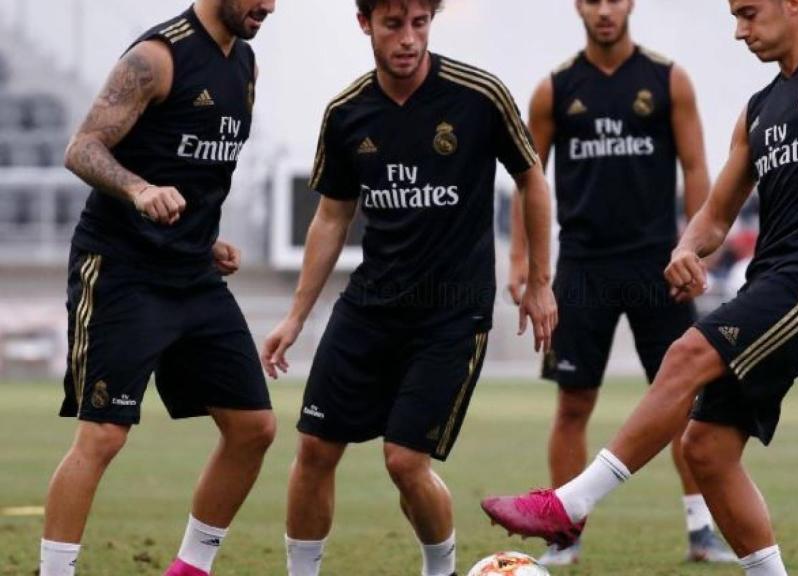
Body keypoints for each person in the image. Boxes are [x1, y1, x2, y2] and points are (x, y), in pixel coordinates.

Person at [481, 1, 798, 575]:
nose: (739, 31)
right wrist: (685, 249)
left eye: (749, 13)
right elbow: (715, 215)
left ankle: (568, 504)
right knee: (705, 448)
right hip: (773, 277)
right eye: (734, 16)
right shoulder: (758, 110)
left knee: (685, 355)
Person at [259, 1, 557, 575]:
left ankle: (439, 570)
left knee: (403, 461)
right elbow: (331, 216)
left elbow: (530, 178)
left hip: (450, 316)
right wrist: (296, 317)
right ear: (364, 23)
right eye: (394, 24)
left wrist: (540, 280)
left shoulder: (478, 95)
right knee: (315, 450)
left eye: (419, 23)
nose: (408, 39)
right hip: (369, 307)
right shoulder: (347, 113)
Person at [42, 2, 278, 576]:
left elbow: (200, 169)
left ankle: (190, 570)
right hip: (122, 269)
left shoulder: (245, 64)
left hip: (193, 273)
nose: (269, 6)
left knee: (253, 428)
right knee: (103, 434)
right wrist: (140, 189)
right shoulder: (156, 57)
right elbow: (82, 148)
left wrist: (208, 237)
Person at [506, 0, 733, 566]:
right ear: (577, 6)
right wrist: (519, 260)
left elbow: (697, 168)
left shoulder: (667, 79)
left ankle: (702, 531)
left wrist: (696, 247)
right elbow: (527, 175)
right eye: (592, 0)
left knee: (688, 401)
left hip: (659, 265)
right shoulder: (553, 89)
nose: (604, 10)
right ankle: (566, 536)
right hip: (582, 266)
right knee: (574, 402)